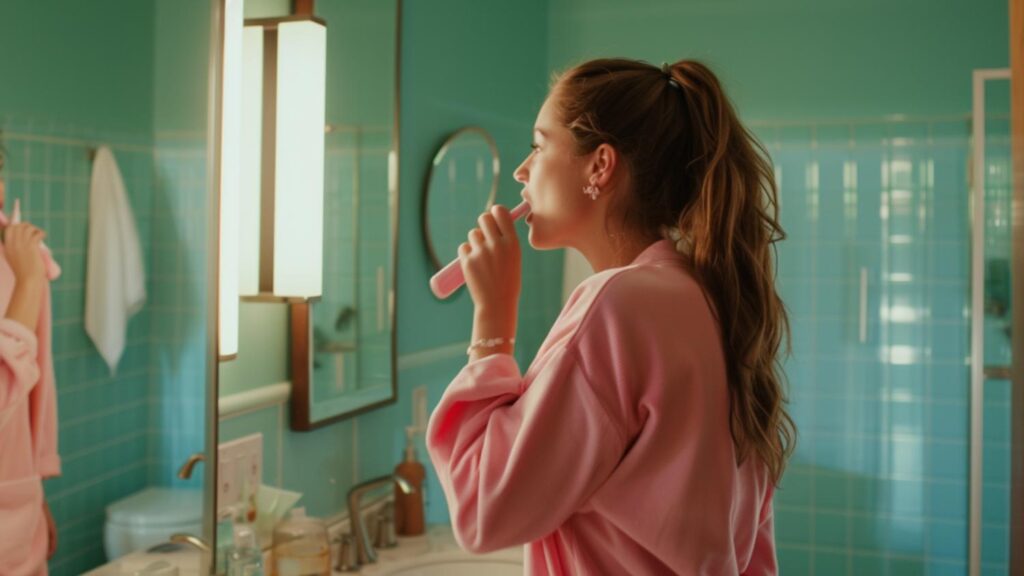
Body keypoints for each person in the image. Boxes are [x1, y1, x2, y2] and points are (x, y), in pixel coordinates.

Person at [425, 58, 795, 575]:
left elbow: (483, 510)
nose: (521, 171)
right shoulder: (709, 298)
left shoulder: (615, 305)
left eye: (538, 145)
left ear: (600, 166)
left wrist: (493, 318)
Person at [0, 144, 61, 575]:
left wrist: (38, 492)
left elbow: (38, 389)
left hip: (19, 512)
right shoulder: (24, 269)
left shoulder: (15, 256)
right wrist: (27, 283)